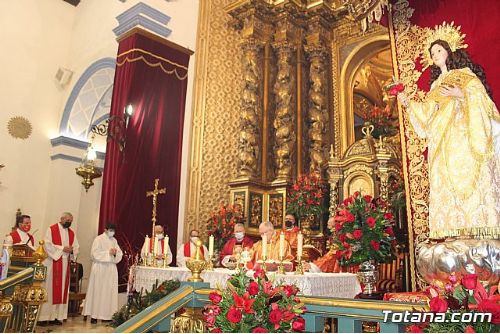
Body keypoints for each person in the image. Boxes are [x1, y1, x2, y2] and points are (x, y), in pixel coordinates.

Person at [398, 24, 500, 239]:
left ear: (449, 51)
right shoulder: (435, 85)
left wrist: (460, 95)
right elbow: (427, 113)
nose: (435, 55)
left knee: (469, 173)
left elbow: (482, 100)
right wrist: (407, 103)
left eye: (439, 51)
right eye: (432, 53)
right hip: (442, 139)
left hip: (463, 133)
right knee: (445, 182)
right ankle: (454, 234)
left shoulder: (464, 75)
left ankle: (477, 232)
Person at [38, 212, 80, 326]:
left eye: (71, 221)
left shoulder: (71, 233)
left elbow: (76, 247)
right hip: (53, 263)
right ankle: (43, 317)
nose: (69, 223)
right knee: (49, 289)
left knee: (62, 291)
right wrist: (62, 248)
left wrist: (72, 250)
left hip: (65, 264)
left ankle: (56, 316)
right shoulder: (52, 229)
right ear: (61, 219)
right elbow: (47, 244)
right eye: (67, 220)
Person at [83, 223, 123, 324]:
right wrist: (108, 253)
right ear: (105, 230)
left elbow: (119, 253)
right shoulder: (98, 239)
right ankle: (94, 315)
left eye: (113, 230)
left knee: (109, 291)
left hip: (110, 268)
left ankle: (108, 315)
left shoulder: (114, 240)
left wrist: (115, 254)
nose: (112, 232)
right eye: (110, 230)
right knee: (98, 290)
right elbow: (94, 254)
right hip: (100, 267)